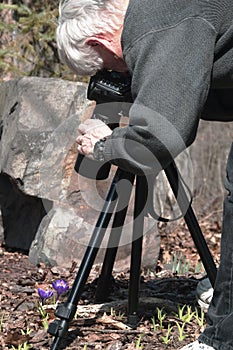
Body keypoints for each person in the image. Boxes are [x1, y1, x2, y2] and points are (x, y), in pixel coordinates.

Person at [56, 0, 233, 349]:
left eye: (110, 67)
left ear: (99, 43)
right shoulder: (159, 13)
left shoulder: (155, 27)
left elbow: (159, 136)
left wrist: (106, 147)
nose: (121, 73)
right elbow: (201, 90)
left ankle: (221, 339)